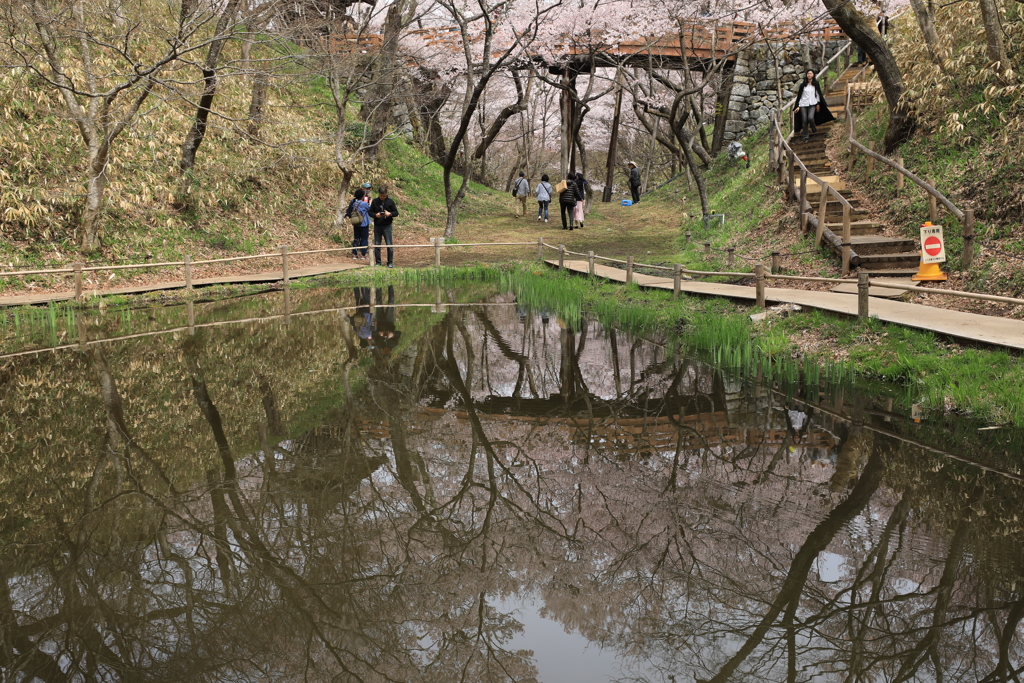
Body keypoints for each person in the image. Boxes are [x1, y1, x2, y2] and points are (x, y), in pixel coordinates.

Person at [793, 69, 834, 142]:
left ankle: (813, 126)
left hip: (812, 103)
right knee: (804, 120)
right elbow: (800, 96)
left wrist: (818, 104)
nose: (809, 75)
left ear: (813, 75)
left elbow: (818, 94)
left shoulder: (816, 84)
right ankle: (805, 136)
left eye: (810, 73)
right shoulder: (803, 85)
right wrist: (798, 106)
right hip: (803, 104)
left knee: (810, 118)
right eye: (808, 73)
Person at [369, 185, 399, 268]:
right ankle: (378, 262)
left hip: (387, 226)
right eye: (381, 196)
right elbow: (370, 212)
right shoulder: (375, 201)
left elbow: (396, 212)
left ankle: (390, 262)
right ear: (379, 194)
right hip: (377, 225)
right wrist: (376, 215)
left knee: (389, 244)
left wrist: (390, 214)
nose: (382, 197)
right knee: (377, 244)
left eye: (384, 196)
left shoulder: (390, 201)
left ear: (386, 194)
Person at [344, 188, 371, 260]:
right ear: (362, 196)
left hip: (356, 223)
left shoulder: (353, 203)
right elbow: (370, 209)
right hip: (364, 223)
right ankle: (363, 254)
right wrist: (370, 202)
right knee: (364, 238)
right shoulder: (364, 204)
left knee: (356, 238)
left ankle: (355, 254)